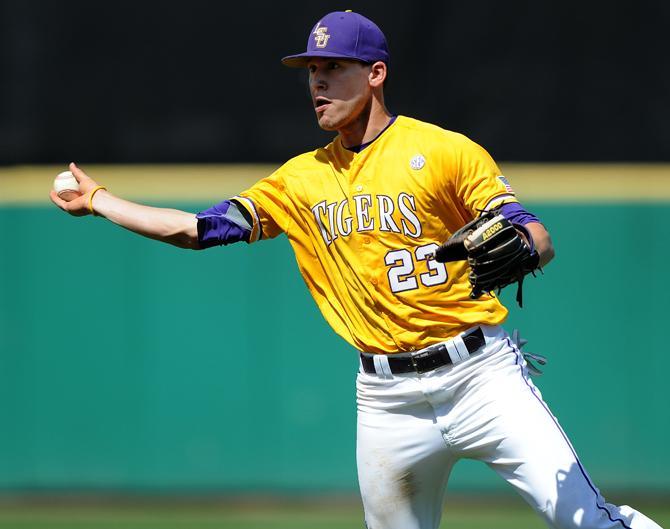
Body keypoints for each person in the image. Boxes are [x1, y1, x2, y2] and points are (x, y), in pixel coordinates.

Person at [50, 10, 662, 529]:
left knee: (586, 519)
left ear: (375, 74)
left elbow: (531, 231)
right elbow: (198, 230)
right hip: (386, 399)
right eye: (312, 72)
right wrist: (100, 200)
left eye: (334, 68)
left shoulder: (443, 150)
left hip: (481, 378)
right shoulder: (300, 179)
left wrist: (531, 244)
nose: (318, 82)